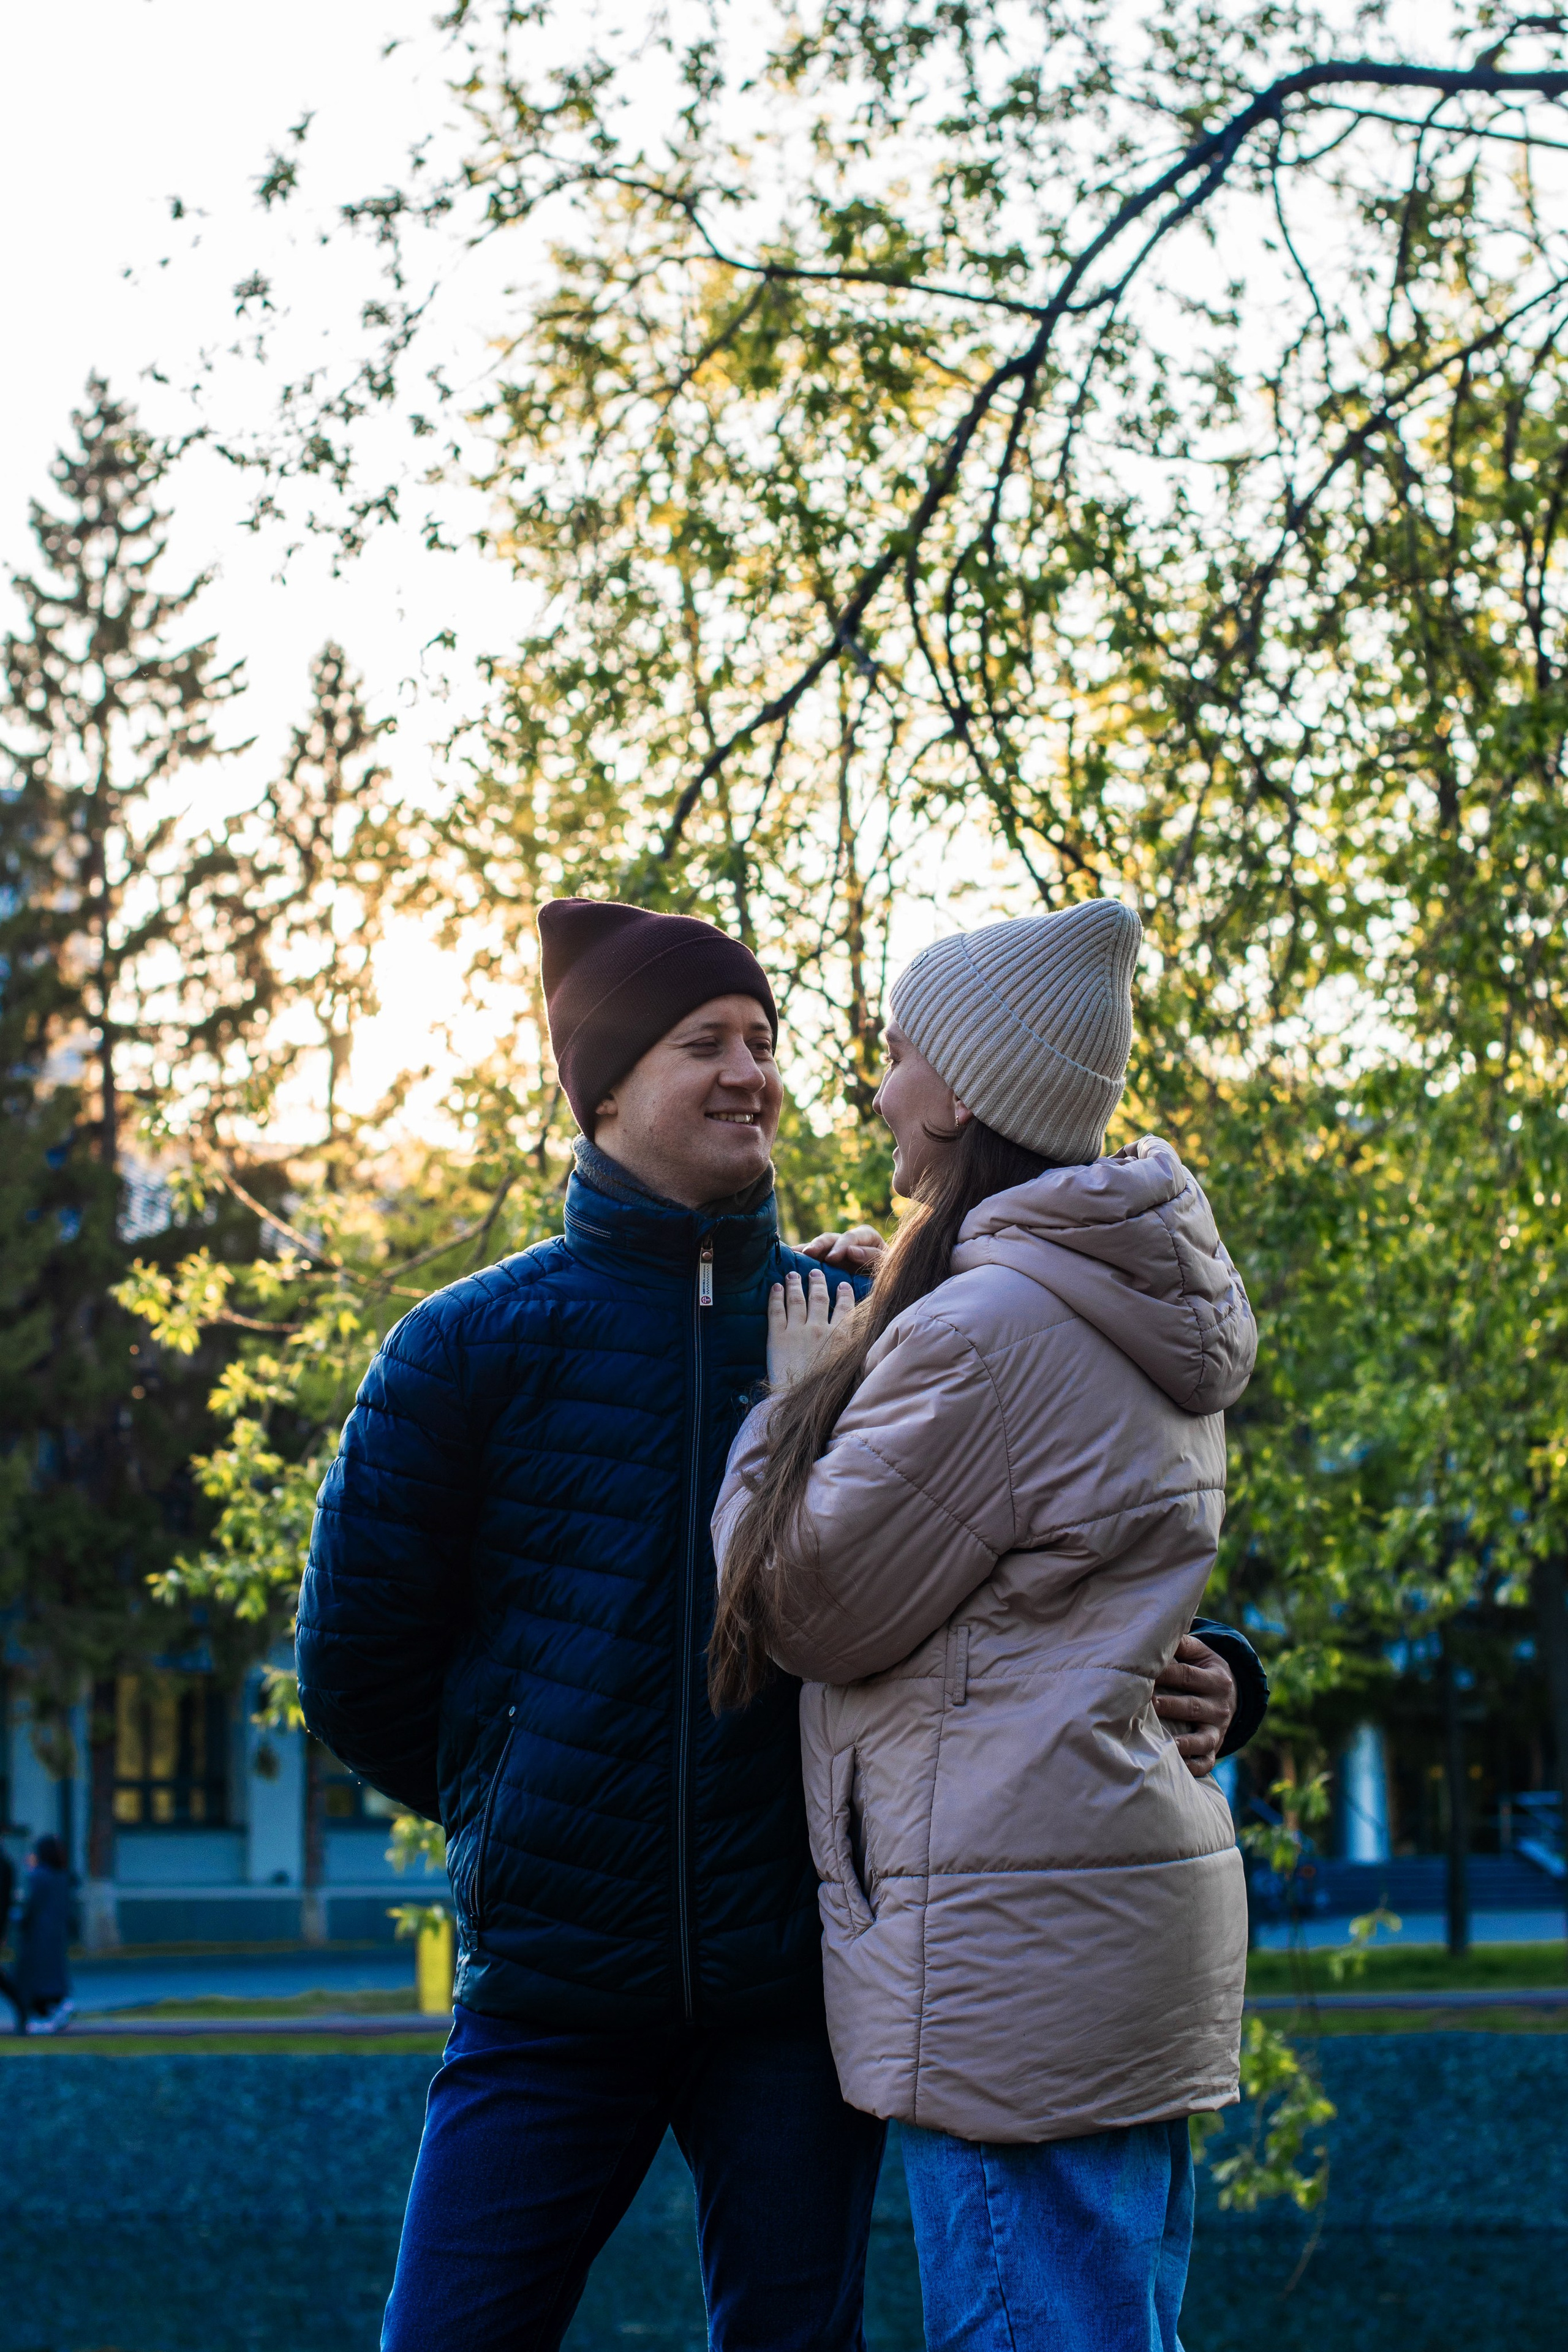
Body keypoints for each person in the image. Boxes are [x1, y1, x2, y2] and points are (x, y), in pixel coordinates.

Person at [296, 898, 1267, 2352]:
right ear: (603, 1087)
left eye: (762, 1038)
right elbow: (353, 1663)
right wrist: (524, 1795)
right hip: (551, 1987)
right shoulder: (465, 1346)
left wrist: (1207, 1667)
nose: (751, 1070)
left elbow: (1046, 1556)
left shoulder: (868, 1310)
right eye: (704, 1042)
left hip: (792, 1991)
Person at [710, 897, 1255, 2352]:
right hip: (1099, 1922)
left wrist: (789, 1402)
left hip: (1011, 1961)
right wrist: (890, 1320)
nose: (876, 1088)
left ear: (957, 1093)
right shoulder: (1124, 1292)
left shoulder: (983, 1333)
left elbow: (799, 1606)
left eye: (896, 1055)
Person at [0, 1835, 77, 2036]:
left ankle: (45, 2013)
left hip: (37, 1936)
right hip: (54, 1936)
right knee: (50, 1976)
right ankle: (54, 2009)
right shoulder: (61, 1877)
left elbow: (31, 1907)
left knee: (33, 1978)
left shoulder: (39, 1877)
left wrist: (18, 1919)